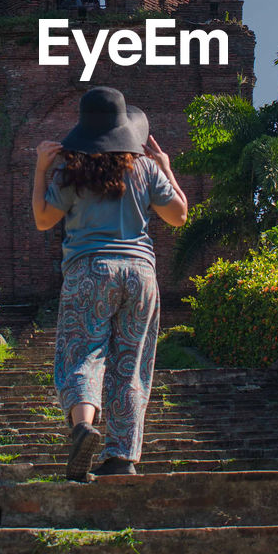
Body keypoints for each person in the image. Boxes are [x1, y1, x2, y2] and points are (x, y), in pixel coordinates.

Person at [31, 86, 188, 480]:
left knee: (83, 352)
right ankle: (121, 458)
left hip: (90, 271)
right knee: (131, 364)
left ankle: (84, 425)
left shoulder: (72, 171)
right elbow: (179, 216)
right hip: (140, 274)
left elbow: (43, 220)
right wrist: (166, 166)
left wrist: (40, 171)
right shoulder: (146, 169)